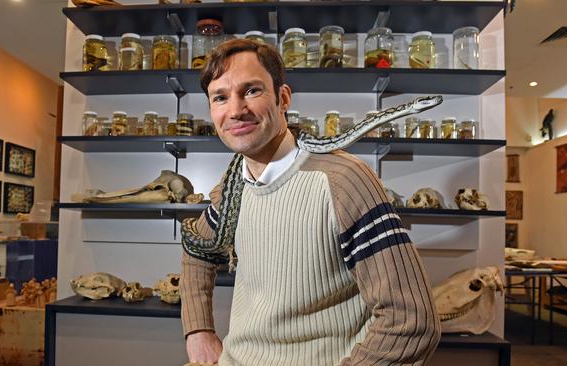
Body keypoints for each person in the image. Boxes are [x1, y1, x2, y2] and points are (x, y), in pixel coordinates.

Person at [180, 38, 440, 366]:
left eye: (251, 91)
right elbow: (195, 249)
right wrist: (198, 330)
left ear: (283, 98)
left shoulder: (345, 180)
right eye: (220, 97)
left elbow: (412, 321)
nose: (235, 110)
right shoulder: (232, 186)